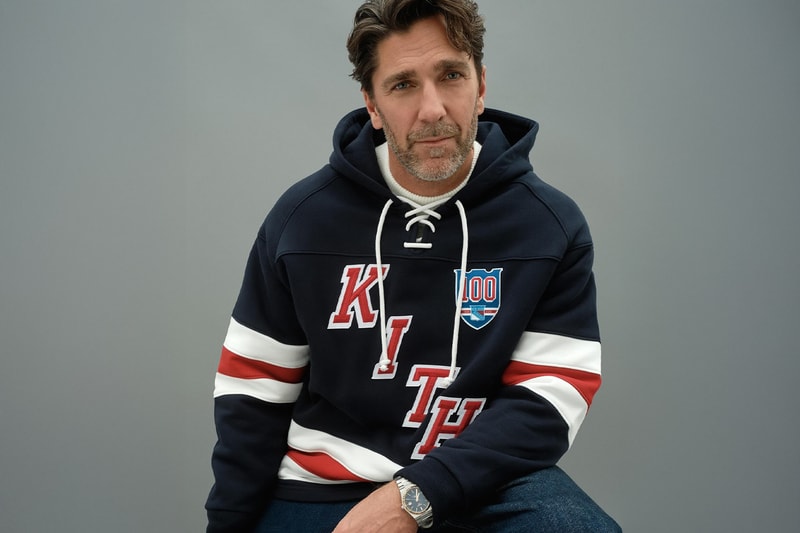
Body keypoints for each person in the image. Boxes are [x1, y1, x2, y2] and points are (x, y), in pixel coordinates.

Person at [206, 1, 621, 531]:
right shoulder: (303, 219)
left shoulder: (548, 224)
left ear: (481, 84)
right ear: (372, 105)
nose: (432, 109)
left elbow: (547, 398)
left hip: (483, 483)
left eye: (450, 75)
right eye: (403, 85)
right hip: (319, 487)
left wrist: (413, 497)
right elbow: (254, 392)